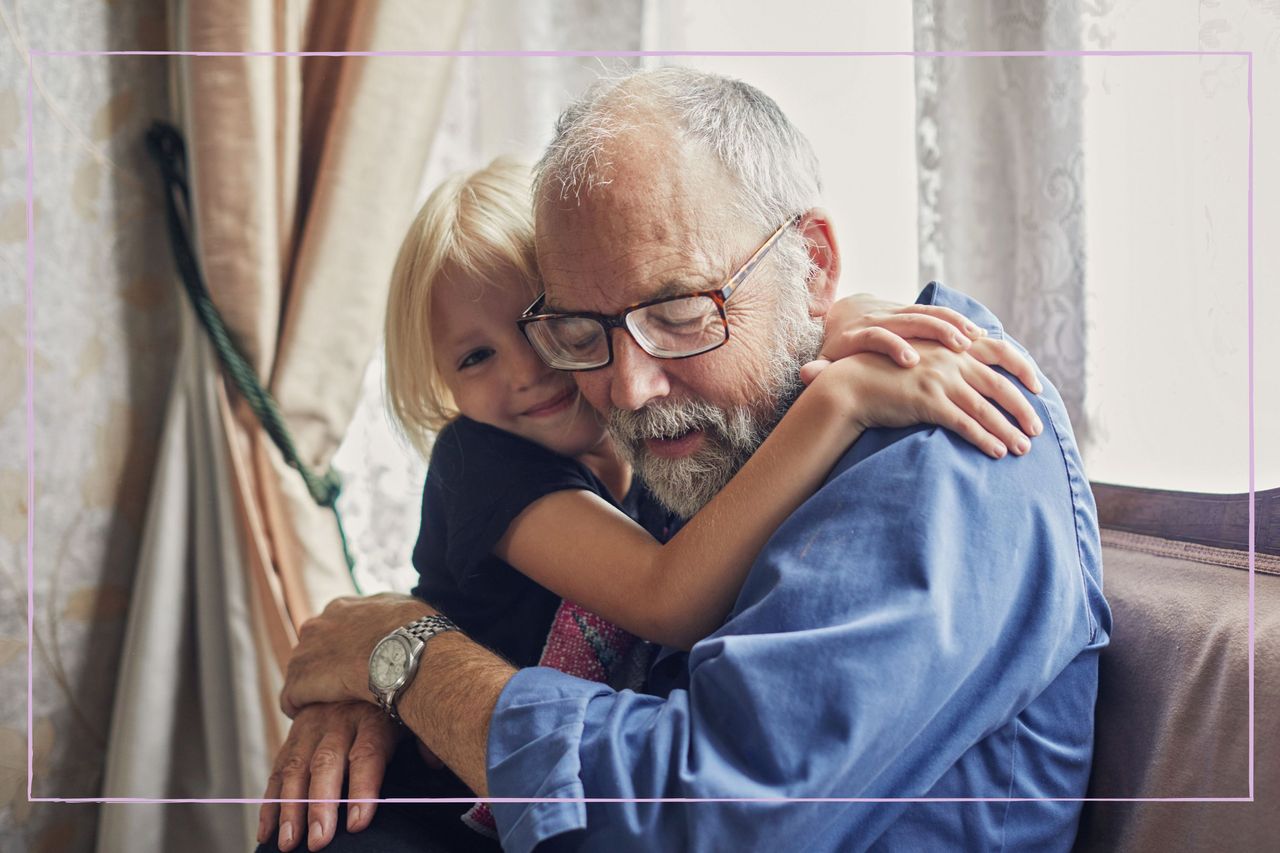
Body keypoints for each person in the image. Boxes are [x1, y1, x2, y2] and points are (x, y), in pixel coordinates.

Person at [272, 67, 1110, 852]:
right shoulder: (704, 447)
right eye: (582, 331)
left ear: (812, 265)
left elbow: (709, 811)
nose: (628, 388)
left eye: (677, 310)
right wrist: (385, 693)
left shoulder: (945, 443)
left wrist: (413, 662)